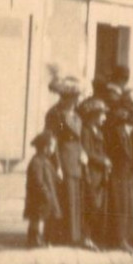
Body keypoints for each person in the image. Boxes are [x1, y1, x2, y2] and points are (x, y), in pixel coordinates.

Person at [43, 74, 86, 247]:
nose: (76, 101)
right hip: (63, 159)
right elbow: (54, 140)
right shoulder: (56, 114)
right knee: (62, 197)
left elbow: (79, 138)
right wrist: (57, 165)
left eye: (76, 98)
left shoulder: (75, 115)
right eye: (74, 98)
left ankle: (73, 236)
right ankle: (57, 236)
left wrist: (82, 152)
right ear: (66, 97)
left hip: (75, 159)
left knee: (74, 197)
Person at [103, 98, 133, 252]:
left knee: (127, 206)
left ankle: (126, 238)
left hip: (127, 174)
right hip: (117, 172)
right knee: (119, 206)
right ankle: (119, 239)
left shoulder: (130, 133)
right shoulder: (114, 130)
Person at [78, 96, 110, 250]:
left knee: (98, 206)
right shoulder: (86, 131)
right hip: (91, 173)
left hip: (100, 175)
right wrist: (102, 161)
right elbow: (87, 152)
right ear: (94, 115)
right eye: (102, 114)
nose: (104, 118)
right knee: (90, 205)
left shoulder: (98, 131)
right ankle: (86, 237)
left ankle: (94, 238)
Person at [24, 131, 62, 247]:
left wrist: (58, 177)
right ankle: (34, 240)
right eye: (52, 146)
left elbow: (53, 177)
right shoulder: (36, 162)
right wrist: (46, 193)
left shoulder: (46, 161)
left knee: (40, 219)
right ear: (45, 147)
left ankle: (36, 239)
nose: (53, 150)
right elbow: (38, 181)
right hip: (39, 198)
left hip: (45, 197)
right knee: (36, 220)